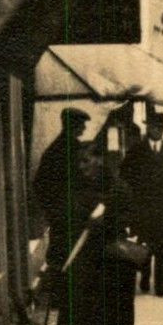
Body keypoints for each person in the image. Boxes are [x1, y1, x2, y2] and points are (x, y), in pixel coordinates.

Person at [51, 155, 137, 325]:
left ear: (99, 161)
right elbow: (61, 217)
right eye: (80, 162)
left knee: (112, 303)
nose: (83, 166)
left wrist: (107, 221)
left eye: (87, 161)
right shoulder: (73, 187)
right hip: (84, 256)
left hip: (110, 254)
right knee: (84, 305)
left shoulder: (117, 187)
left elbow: (129, 214)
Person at [31, 108, 98, 306]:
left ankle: (60, 297)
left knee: (60, 253)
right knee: (72, 253)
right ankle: (66, 298)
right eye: (81, 125)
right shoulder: (74, 150)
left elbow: (39, 184)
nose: (84, 128)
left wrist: (52, 210)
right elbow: (86, 180)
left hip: (63, 214)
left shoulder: (54, 149)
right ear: (72, 126)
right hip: (73, 213)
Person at [119, 113, 163, 297]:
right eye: (152, 127)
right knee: (144, 247)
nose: (155, 130)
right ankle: (144, 275)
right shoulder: (136, 151)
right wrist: (130, 200)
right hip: (142, 209)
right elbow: (124, 177)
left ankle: (160, 286)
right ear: (147, 128)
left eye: (159, 127)